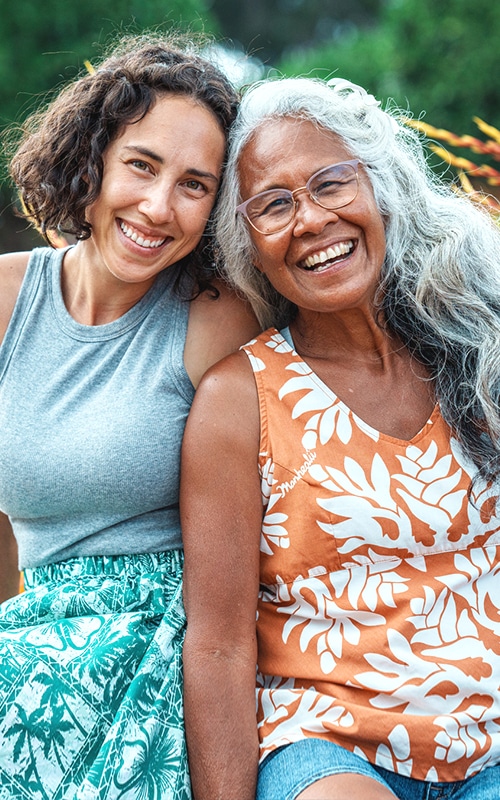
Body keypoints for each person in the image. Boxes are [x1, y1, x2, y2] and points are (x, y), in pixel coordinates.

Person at [181, 75, 500, 800]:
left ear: (380, 188)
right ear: (247, 245)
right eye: (274, 205)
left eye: (330, 183)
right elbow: (219, 645)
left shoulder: (477, 348)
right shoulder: (240, 399)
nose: (312, 220)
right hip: (327, 744)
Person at [0, 33, 258, 799]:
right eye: (142, 166)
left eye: (194, 184)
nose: (158, 207)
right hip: (40, 636)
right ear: (93, 157)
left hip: (168, 644)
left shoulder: (217, 321)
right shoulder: (8, 300)